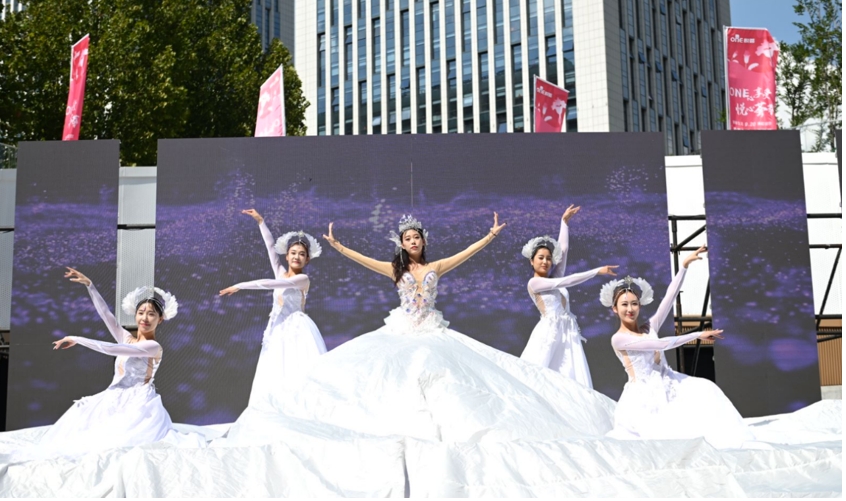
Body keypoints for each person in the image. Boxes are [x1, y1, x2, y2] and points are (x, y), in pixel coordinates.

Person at [248, 213, 618, 445]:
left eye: (417, 238)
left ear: (423, 241)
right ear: (402, 243)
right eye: (407, 238)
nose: (413, 242)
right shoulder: (395, 269)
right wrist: (339, 246)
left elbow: (465, 254)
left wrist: (490, 236)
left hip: (433, 331)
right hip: (401, 330)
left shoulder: (435, 266)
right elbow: (364, 260)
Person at [9, 267, 202, 461]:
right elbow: (106, 316)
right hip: (113, 396)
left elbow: (111, 349)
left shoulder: (153, 346)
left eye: (151, 314)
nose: (145, 318)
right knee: (78, 423)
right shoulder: (127, 338)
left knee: (114, 447)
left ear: (160, 319)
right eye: (141, 312)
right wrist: (90, 286)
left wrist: (77, 339)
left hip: (138, 404)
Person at [604, 246, 755, 449]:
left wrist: (683, 266)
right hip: (644, 395)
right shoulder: (618, 339)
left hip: (669, 381)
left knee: (707, 388)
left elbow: (670, 296)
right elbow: (661, 344)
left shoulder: (649, 327)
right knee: (667, 439)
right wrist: (697, 334)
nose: (630, 309)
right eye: (624, 304)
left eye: (634, 303)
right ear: (615, 308)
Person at [219, 209, 327, 410]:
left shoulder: (302, 279)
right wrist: (261, 222)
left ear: (307, 259)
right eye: (293, 253)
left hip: (297, 330)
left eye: (302, 254)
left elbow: (270, 284)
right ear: (287, 255)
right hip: (277, 329)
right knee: (275, 369)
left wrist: (241, 285)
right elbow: (270, 247)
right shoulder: (280, 272)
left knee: (297, 369)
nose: (297, 257)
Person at [520, 205, 618, 387]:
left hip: (567, 332)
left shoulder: (553, 277)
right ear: (531, 261)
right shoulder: (534, 283)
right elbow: (568, 280)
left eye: (548, 258)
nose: (545, 261)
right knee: (540, 376)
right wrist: (596, 271)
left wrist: (564, 223)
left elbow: (563, 250)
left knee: (570, 379)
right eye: (540, 257)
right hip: (549, 332)